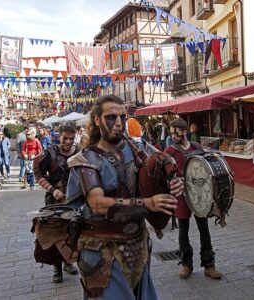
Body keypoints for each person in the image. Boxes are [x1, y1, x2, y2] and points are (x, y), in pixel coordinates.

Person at [65, 95, 183, 299]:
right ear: (97, 120)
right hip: (102, 250)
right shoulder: (85, 160)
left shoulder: (134, 150)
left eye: (122, 117)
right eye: (111, 117)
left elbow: (161, 161)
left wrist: (174, 179)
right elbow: (97, 203)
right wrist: (147, 203)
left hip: (137, 245)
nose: (118, 123)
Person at [165, 118, 222, 280]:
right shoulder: (169, 151)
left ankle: (209, 265)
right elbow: (167, 174)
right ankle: (186, 264)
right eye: (171, 132)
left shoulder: (196, 147)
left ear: (184, 132)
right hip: (182, 195)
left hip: (198, 194)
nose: (174, 135)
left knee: (204, 227)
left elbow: (205, 167)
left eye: (177, 132)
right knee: (183, 229)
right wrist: (174, 180)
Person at [33, 124, 80, 283]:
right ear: (58, 136)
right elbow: (38, 174)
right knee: (55, 233)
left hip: (74, 200)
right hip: (54, 200)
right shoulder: (51, 153)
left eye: (71, 138)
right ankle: (56, 268)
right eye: (64, 138)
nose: (68, 141)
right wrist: (53, 190)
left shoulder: (79, 152)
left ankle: (68, 262)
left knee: (72, 231)